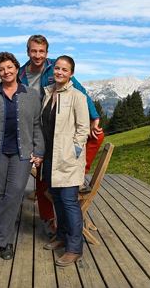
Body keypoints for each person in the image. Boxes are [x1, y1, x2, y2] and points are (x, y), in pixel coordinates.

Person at [19, 35, 104, 235]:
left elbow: (80, 91)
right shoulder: (21, 74)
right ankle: (49, 218)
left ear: (47, 53)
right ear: (28, 51)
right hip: (38, 125)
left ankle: (76, 174)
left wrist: (94, 117)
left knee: (98, 136)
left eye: (41, 51)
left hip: (62, 126)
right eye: (33, 51)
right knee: (40, 175)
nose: (37, 55)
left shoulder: (56, 68)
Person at [0, 52, 44, 261]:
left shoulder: (31, 95)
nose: (6, 72)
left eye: (9, 67)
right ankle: (5, 243)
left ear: (16, 68)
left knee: (14, 192)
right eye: (1, 69)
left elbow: (36, 125)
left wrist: (39, 150)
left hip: (22, 154)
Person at [41, 55, 90, 266]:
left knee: (70, 202)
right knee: (57, 198)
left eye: (64, 70)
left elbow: (83, 129)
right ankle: (61, 237)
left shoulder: (77, 96)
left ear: (71, 74)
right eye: (57, 68)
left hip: (68, 158)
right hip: (51, 157)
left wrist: (74, 151)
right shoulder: (48, 93)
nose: (59, 72)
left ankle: (74, 248)